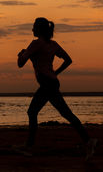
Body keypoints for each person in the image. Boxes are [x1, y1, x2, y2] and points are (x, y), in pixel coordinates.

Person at [17, 17, 97, 160]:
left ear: (39, 29)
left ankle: (29, 147)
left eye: (34, 27)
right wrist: (55, 73)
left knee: (32, 112)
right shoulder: (53, 44)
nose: (32, 29)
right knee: (66, 114)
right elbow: (68, 60)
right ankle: (88, 141)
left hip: (48, 84)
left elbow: (20, 64)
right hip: (52, 82)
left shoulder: (36, 44)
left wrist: (21, 54)